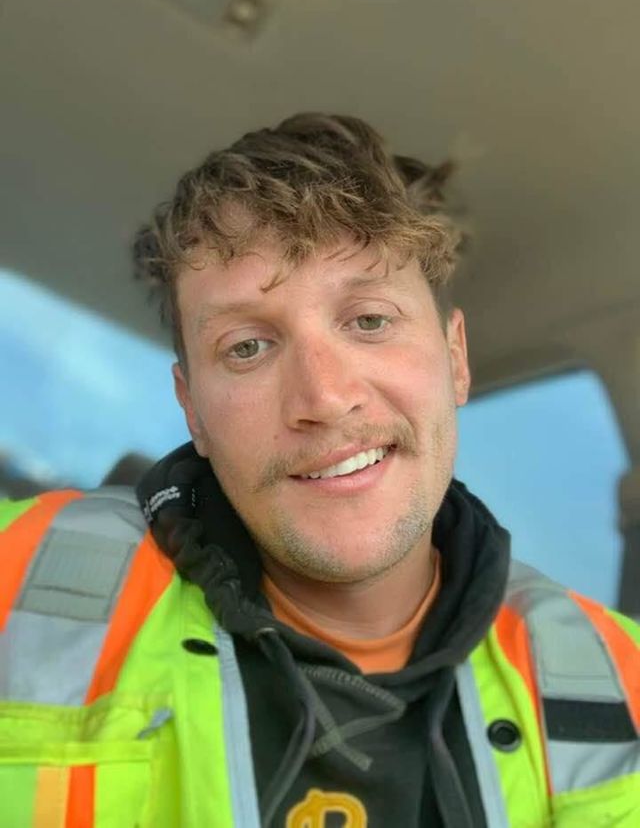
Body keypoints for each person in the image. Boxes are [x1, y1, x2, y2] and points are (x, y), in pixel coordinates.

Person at [1, 113, 638, 828]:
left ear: (455, 358)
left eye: (369, 321)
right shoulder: (13, 580)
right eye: (247, 347)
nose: (324, 398)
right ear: (193, 409)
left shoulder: (627, 676)